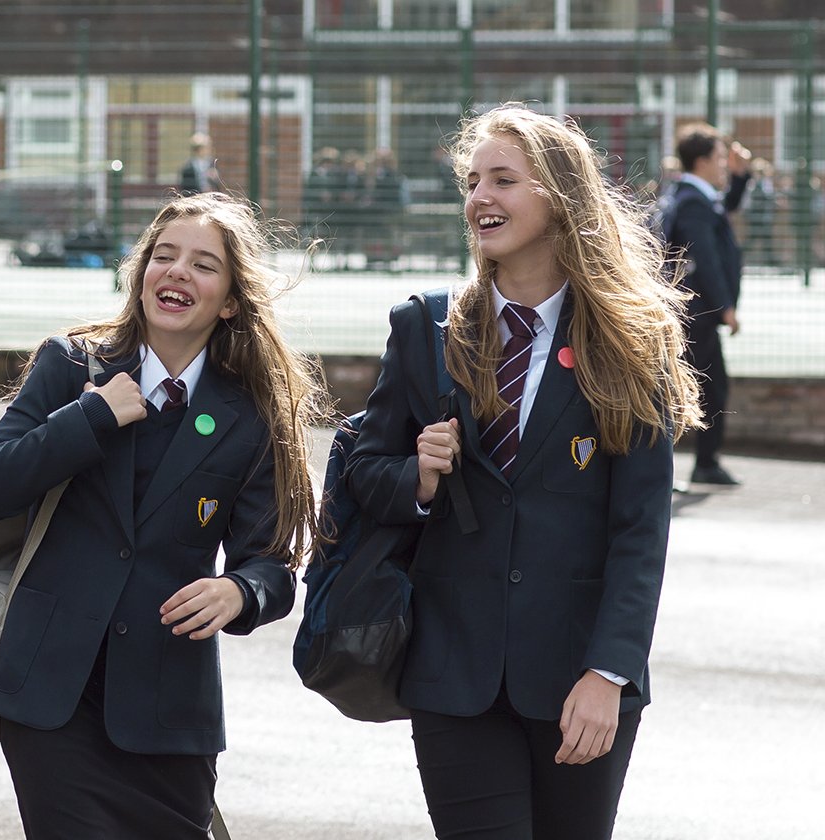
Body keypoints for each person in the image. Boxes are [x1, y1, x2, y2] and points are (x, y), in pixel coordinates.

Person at [347, 105, 702, 840]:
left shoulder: (631, 340)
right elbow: (362, 474)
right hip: (453, 671)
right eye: (473, 181)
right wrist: (415, 476)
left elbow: (640, 532)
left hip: (580, 680)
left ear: (560, 197)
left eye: (504, 180)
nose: (481, 197)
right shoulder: (424, 328)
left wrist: (610, 672)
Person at [0, 191, 323, 838]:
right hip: (52, 699)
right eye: (164, 255)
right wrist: (90, 417)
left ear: (231, 300)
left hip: (170, 711)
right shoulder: (70, 366)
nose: (178, 271)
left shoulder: (250, 414)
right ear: (141, 273)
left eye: (204, 264)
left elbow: (270, 566)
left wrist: (239, 592)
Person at [663, 122, 752, 486]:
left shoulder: (692, 196)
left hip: (694, 314)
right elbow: (707, 259)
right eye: (718, 158)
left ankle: (702, 462)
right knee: (706, 388)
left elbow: (726, 207)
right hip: (695, 315)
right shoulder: (693, 203)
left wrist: (739, 176)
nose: (722, 165)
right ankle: (704, 464)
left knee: (695, 387)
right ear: (700, 161)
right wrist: (725, 306)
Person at [176, 132, 224, 197]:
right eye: (207, 148)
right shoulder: (188, 167)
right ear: (199, 150)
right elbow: (186, 188)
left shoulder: (212, 164)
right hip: (195, 200)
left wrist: (215, 178)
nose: (209, 150)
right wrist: (201, 191)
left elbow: (218, 186)